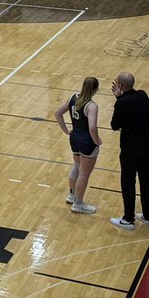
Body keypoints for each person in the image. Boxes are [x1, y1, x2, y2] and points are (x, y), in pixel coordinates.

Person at [111, 72, 149, 231]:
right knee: (146, 181)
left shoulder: (122, 102)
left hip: (130, 151)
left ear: (121, 86)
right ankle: (148, 216)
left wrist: (118, 98)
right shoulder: (143, 95)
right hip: (146, 148)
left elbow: (115, 125)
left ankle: (128, 219)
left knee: (128, 183)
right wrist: (121, 98)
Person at [55, 77, 101, 214]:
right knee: (84, 173)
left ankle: (71, 195)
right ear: (95, 89)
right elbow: (92, 127)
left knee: (76, 165)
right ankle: (78, 204)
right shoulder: (92, 106)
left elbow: (58, 113)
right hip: (87, 141)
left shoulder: (72, 98)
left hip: (74, 138)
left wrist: (66, 130)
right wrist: (96, 140)